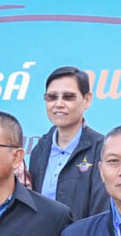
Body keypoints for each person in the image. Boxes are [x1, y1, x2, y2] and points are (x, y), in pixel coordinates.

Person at [28, 66, 108, 221]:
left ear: (87, 100)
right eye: (52, 97)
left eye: (68, 97)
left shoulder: (102, 149)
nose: (59, 104)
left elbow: (101, 212)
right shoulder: (40, 149)